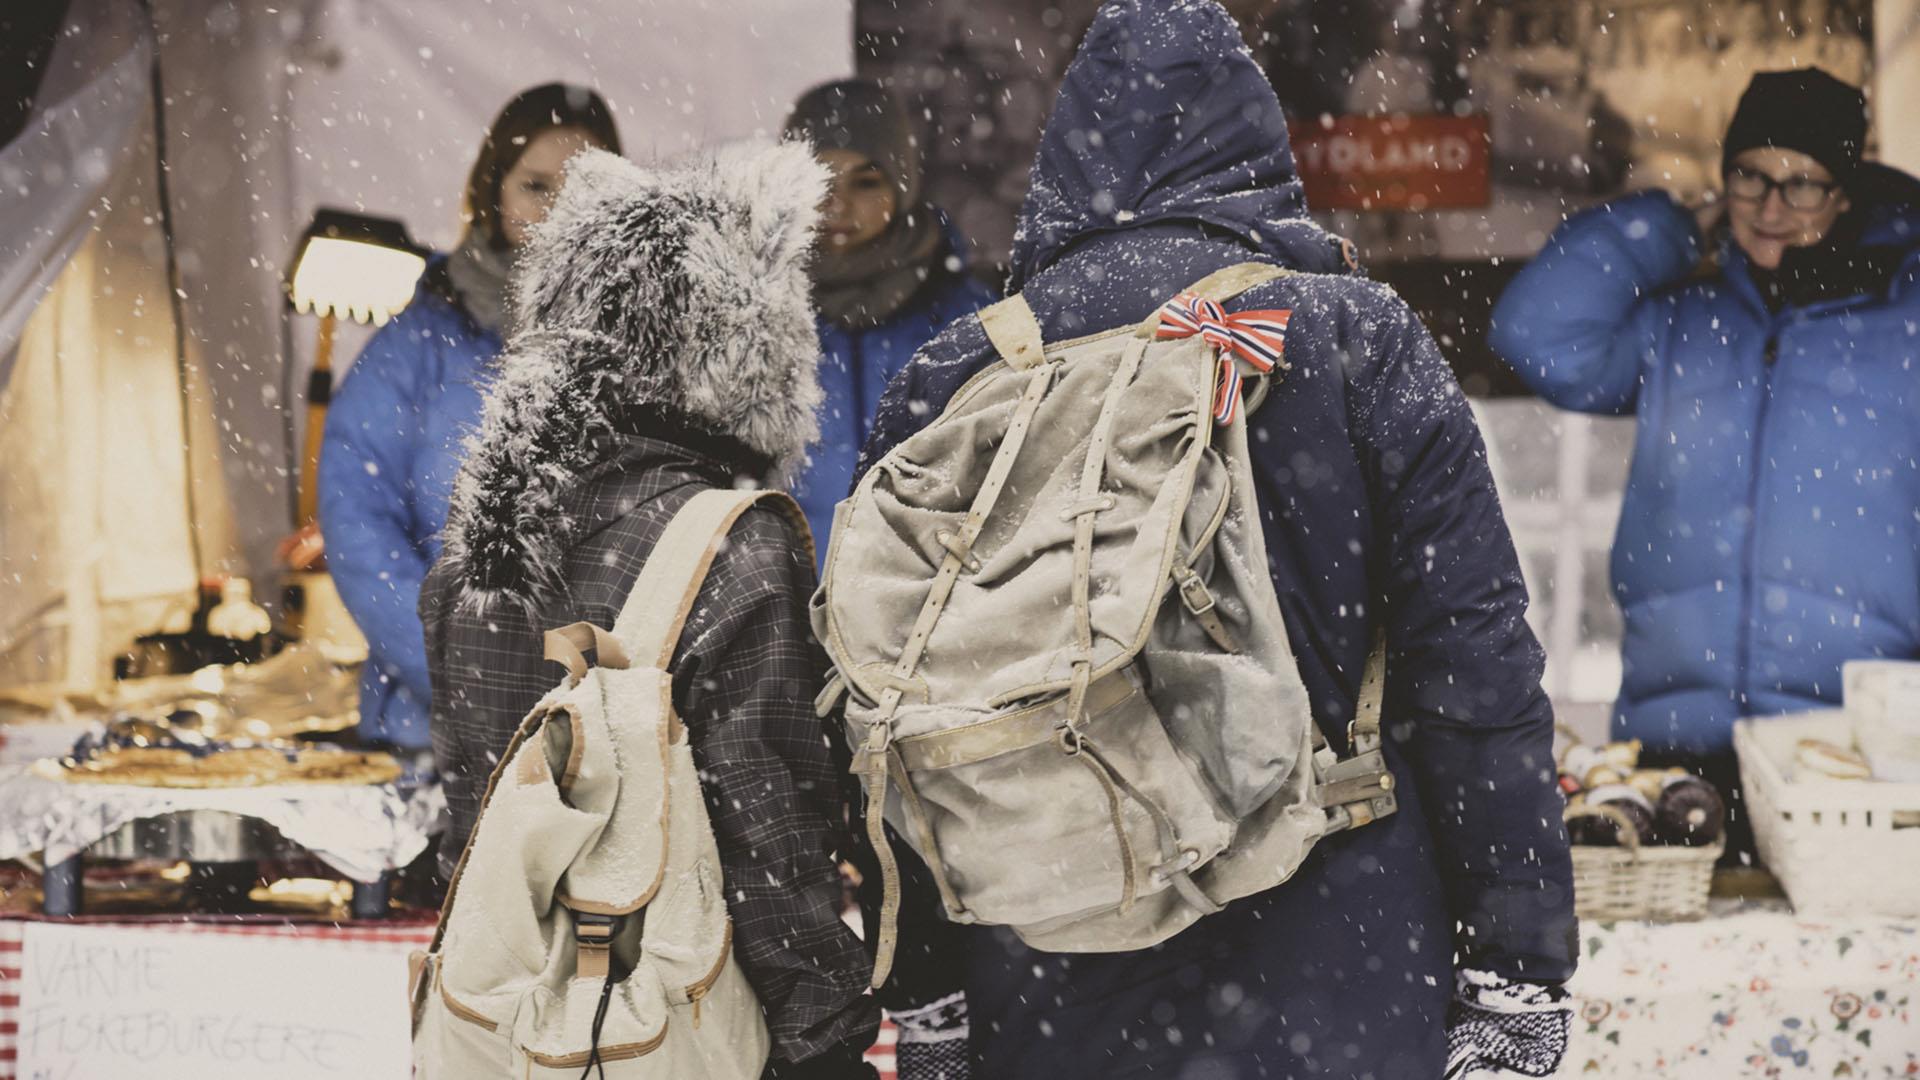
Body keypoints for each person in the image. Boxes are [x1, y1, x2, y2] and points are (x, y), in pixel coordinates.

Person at [854, 2, 1577, 1077]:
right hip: (1339, 964)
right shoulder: (1353, 339)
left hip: (1049, 955)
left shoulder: (958, 371)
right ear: (1257, 148)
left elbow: (888, 697)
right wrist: (1519, 965)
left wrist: (926, 993)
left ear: (1068, 156)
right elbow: (1478, 667)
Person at [418, 143, 879, 1080]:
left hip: (509, 1037)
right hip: (677, 1036)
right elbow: (771, 840)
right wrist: (828, 1046)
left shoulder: (480, 544)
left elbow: (474, 830)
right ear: (744, 342)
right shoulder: (730, 546)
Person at [1490, 69, 1920, 860]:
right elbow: (1534, 336)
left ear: (1846, 194)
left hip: (1852, 756)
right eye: (1751, 176)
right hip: (1672, 745)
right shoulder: (1683, 322)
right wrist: (1673, 227)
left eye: (1802, 185)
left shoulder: (1905, 330)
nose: (1769, 207)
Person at [318, 83, 621, 753]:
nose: (560, 209)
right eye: (536, 185)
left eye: (585, 185)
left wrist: (611, 681)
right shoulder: (421, 340)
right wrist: (456, 667)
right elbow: (356, 517)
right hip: (438, 728)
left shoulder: (644, 343)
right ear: (495, 191)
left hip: (604, 728)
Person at [781, 80, 995, 566]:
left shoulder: (968, 318)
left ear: (901, 185)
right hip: (784, 602)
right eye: (819, 179)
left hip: (928, 597)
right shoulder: (759, 313)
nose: (837, 204)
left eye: (865, 181)